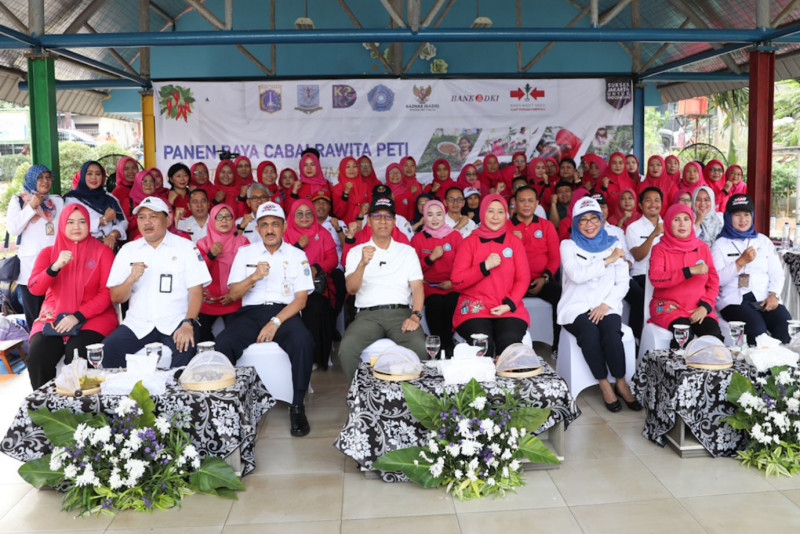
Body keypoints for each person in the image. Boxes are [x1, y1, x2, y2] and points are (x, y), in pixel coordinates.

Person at [215, 201, 316, 436]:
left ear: (284, 226)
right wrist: (254, 277)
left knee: (303, 341)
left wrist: (275, 322)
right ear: (258, 228)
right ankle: (227, 406)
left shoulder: (297, 255)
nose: (270, 229)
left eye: (275, 224)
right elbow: (233, 294)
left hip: (285, 312)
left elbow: (301, 300)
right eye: (264, 225)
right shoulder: (245, 253)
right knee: (223, 343)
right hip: (250, 313)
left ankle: (297, 406)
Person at [102, 197, 211, 368]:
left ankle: (175, 387)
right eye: (142, 217)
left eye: (153, 216)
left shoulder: (186, 247)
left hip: (176, 321)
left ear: (167, 220)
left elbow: (196, 291)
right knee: (108, 350)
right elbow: (116, 297)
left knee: (184, 356)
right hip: (138, 323)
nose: (147, 222)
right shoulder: (128, 250)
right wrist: (130, 279)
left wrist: (188, 322)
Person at [558, 197, 639, 412]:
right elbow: (576, 275)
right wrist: (607, 260)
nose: (589, 224)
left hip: (606, 304)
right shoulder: (568, 245)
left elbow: (623, 282)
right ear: (575, 223)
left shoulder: (614, 243)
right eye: (583, 220)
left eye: (594, 218)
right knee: (589, 333)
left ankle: (620, 382)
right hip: (576, 306)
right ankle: (604, 384)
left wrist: (606, 305)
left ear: (601, 219)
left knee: (612, 335)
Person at [25, 204, 117, 389]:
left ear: (89, 224)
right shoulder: (48, 253)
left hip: (92, 316)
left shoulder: (103, 252)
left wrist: (77, 316)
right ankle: (46, 405)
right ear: (62, 225)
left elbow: (107, 294)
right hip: (53, 317)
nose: (76, 227)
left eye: (82, 222)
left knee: (77, 353)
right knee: (37, 356)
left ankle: (83, 405)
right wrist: (55, 267)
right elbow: (35, 289)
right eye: (70, 222)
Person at [339, 195, 428, 382]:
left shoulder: (407, 251)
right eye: (377, 216)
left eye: (388, 217)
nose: (382, 221)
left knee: (421, 348)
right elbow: (351, 289)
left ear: (394, 222)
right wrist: (362, 264)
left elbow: (417, 287)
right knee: (346, 350)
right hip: (367, 316)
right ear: (369, 221)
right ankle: (363, 394)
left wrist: (415, 315)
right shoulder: (356, 252)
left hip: (400, 314)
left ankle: (411, 395)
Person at [451, 194, 531, 357]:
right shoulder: (469, 242)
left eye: (500, 212)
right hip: (475, 308)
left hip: (507, 307)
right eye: (490, 211)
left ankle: (506, 374)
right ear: (482, 213)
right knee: (483, 347)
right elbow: (457, 281)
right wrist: (484, 267)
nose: (495, 217)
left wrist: (509, 304)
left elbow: (523, 278)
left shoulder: (514, 242)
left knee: (508, 344)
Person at [712, 194, 791, 344]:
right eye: (737, 215)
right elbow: (717, 280)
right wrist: (740, 262)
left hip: (763, 297)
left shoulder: (763, 240)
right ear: (728, 217)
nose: (743, 220)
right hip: (734, 300)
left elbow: (777, 273)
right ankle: (760, 360)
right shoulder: (720, 244)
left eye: (747, 214)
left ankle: (782, 360)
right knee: (757, 331)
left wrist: (774, 294)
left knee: (785, 326)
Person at [649, 204, 723, 346]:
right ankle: (677, 362)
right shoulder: (659, 249)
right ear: (668, 223)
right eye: (676, 219)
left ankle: (706, 362)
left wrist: (705, 307)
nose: (682, 223)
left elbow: (713, 282)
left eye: (686, 219)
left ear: (691, 222)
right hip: (669, 307)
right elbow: (656, 278)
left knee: (713, 336)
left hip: (698, 307)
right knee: (683, 335)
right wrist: (689, 271)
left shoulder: (702, 247)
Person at [6, 165, 64, 329]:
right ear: (31, 179)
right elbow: (13, 229)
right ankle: (35, 342)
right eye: (40, 177)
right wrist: (31, 206)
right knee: (35, 317)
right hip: (31, 268)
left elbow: (64, 229)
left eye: (48, 177)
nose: (45, 181)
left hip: (55, 264)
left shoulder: (57, 201)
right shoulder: (19, 200)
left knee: (57, 313)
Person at [284, 200, 338, 370]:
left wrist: (316, 267)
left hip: (315, 288)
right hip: (288, 289)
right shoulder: (285, 233)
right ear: (292, 216)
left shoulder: (322, 232)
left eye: (308, 213)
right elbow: (280, 259)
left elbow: (333, 259)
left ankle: (315, 358)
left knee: (316, 308)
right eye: (299, 213)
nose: (304, 217)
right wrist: (298, 246)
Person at [411, 199, 463, 357]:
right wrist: (430, 258)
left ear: (444, 216)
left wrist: (453, 283)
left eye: (439, 214)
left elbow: (463, 265)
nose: (435, 218)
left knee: (452, 303)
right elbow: (413, 270)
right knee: (435, 304)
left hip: (452, 286)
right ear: (424, 217)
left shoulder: (455, 236)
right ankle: (438, 349)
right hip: (429, 287)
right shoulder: (418, 239)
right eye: (430, 214)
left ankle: (449, 347)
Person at [511, 186, 561, 346]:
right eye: (522, 200)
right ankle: (509, 346)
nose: (526, 204)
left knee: (561, 298)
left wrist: (544, 278)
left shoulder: (546, 226)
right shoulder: (506, 227)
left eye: (530, 200)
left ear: (537, 203)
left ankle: (557, 346)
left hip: (541, 279)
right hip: (513, 282)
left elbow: (555, 258)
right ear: (515, 203)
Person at [195, 204, 248, 343]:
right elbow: (197, 273)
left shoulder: (243, 242)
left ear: (233, 219)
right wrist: (211, 255)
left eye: (228, 216)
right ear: (212, 220)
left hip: (234, 301)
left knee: (233, 339)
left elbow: (248, 273)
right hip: (208, 302)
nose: (224, 220)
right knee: (200, 336)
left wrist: (234, 294)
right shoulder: (202, 244)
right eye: (219, 217)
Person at [625, 186, 664, 339]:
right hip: (641, 275)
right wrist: (654, 234)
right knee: (641, 298)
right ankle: (636, 339)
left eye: (657, 200)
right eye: (648, 200)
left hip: (664, 275)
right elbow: (638, 255)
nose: (653, 204)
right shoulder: (633, 228)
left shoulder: (670, 225)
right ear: (640, 205)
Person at [64, 161, 127, 249]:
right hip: (83, 247)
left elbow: (124, 222)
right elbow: (70, 226)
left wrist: (113, 235)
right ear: (83, 176)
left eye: (98, 174)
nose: (94, 177)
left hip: (108, 246)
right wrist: (102, 220)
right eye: (89, 174)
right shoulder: (72, 199)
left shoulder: (110, 198)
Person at [332, 157, 370, 224]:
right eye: (348, 167)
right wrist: (346, 193)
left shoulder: (365, 186)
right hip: (344, 225)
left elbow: (370, 204)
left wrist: (366, 206)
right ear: (342, 169)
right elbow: (338, 213)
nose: (351, 169)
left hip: (363, 223)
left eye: (354, 166)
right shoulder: (337, 189)